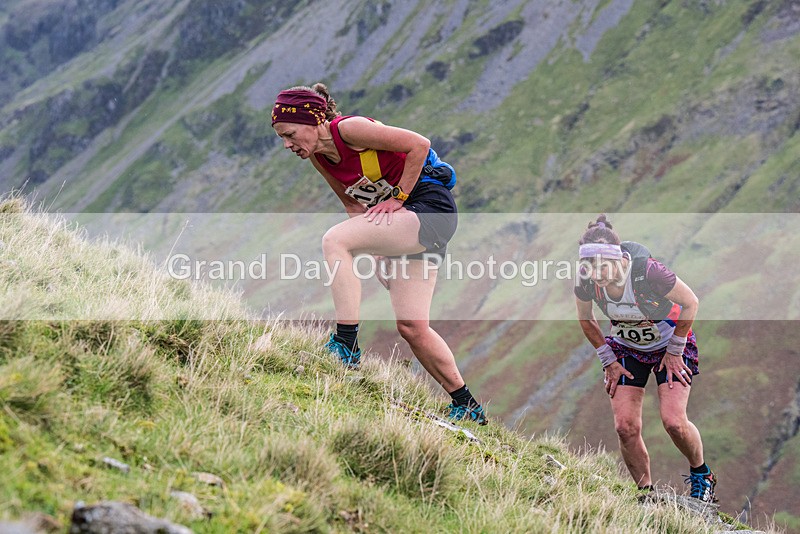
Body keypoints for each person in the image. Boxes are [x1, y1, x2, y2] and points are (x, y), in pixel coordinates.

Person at [271, 83, 486, 425]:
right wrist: (378, 251)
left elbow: (419, 145)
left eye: (290, 134)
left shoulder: (349, 129)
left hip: (430, 210)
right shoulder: (318, 158)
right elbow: (354, 205)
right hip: (402, 224)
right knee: (413, 326)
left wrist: (398, 198)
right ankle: (468, 406)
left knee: (334, 241)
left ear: (312, 120)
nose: (286, 144)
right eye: (282, 138)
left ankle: (346, 344)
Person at [574, 215, 716, 502]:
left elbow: (690, 303)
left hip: (670, 346)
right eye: (590, 266)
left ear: (619, 259)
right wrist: (608, 360)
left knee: (674, 421)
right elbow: (586, 319)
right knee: (625, 427)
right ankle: (645, 495)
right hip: (627, 348)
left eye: (603, 266)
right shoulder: (586, 281)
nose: (597, 273)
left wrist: (676, 349)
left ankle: (702, 474)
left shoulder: (647, 271)